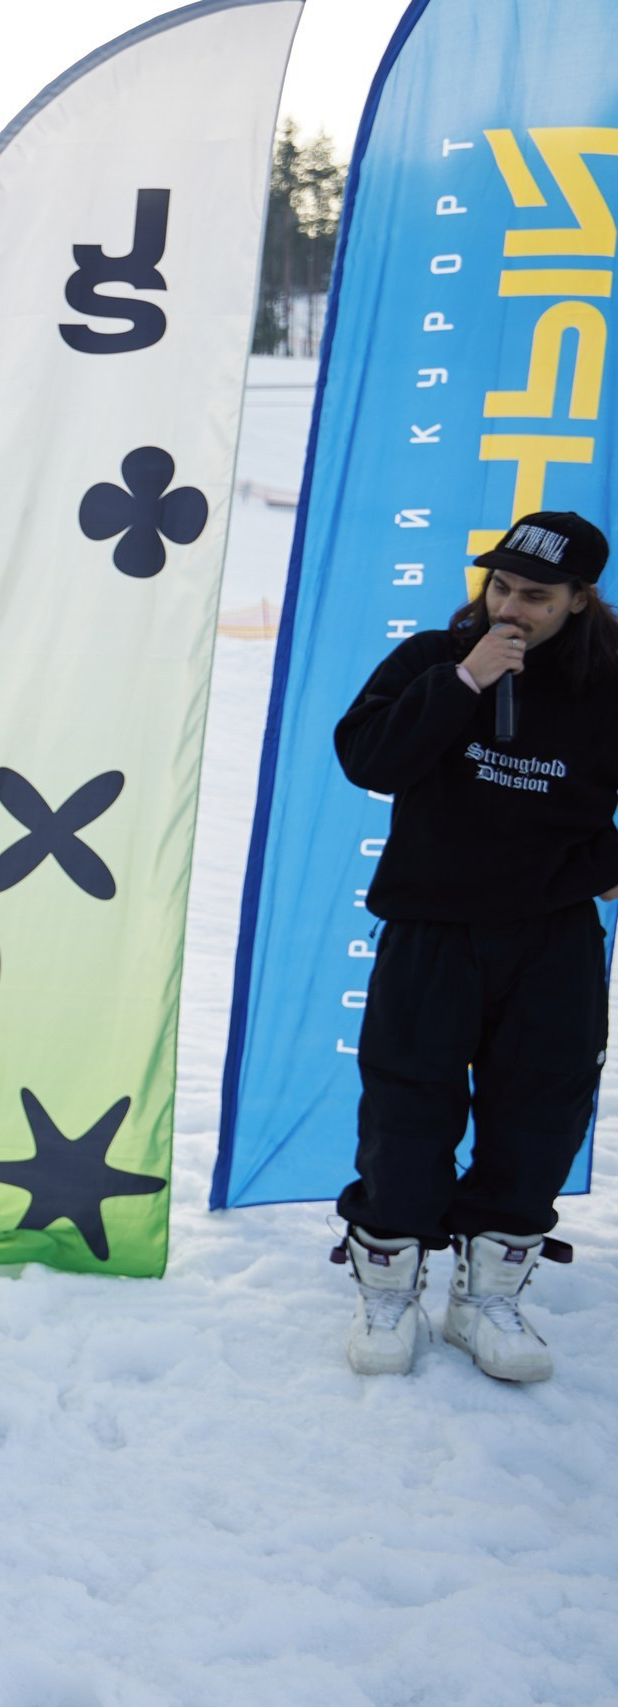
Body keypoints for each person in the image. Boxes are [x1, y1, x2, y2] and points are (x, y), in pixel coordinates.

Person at [329, 511, 616, 1384]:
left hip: (552, 933)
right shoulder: (430, 658)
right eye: (501, 585)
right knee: (408, 1103)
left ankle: (486, 1296)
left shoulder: (610, 679)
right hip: (432, 924)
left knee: (541, 1105)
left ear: (578, 598)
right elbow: (368, 757)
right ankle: (389, 1287)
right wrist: (462, 681)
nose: (511, 608)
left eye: (535, 595)